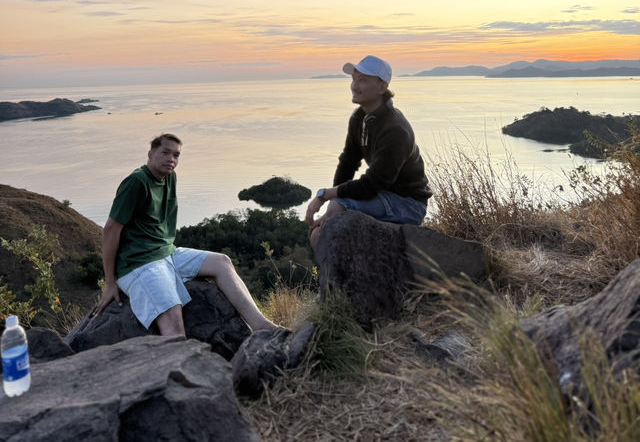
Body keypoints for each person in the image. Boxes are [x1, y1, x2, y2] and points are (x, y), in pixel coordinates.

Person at [93, 133, 276, 336]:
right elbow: (111, 230)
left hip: (166, 253)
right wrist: (110, 282)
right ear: (150, 154)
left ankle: (261, 325)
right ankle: (179, 355)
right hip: (139, 263)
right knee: (173, 314)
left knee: (222, 262)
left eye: (176, 155)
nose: (171, 159)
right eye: (165, 152)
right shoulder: (137, 181)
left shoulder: (170, 177)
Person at [305, 55, 432, 247]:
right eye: (354, 79)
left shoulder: (395, 129)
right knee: (319, 231)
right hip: (383, 196)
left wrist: (326, 195)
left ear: (382, 87)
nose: (354, 86)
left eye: (363, 80)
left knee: (334, 212)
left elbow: (373, 183)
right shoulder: (360, 118)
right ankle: (335, 266)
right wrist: (333, 199)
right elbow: (348, 163)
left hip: (408, 204)